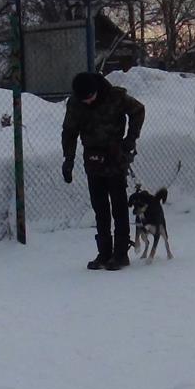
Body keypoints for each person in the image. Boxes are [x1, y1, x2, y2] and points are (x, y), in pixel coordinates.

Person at [61, 72, 145, 271]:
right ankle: (104, 252)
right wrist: (68, 159)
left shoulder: (115, 96)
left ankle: (121, 253)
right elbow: (69, 132)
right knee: (100, 208)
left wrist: (130, 140)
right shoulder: (75, 104)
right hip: (93, 160)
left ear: (96, 90)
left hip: (115, 157)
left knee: (118, 206)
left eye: (90, 97)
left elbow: (138, 111)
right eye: (84, 99)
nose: (88, 102)